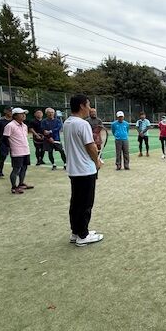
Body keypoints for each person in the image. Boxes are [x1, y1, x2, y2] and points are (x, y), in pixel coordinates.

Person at [62, 94, 103, 247]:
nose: (90, 108)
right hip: (85, 170)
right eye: (88, 105)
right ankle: (83, 236)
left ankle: (76, 232)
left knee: (76, 203)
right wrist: (97, 161)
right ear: (81, 106)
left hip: (74, 170)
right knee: (85, 204)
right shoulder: (82, 124)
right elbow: (90, 146)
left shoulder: (67, 123)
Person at [3, 108, 33, 194]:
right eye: (21, 114)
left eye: (24, 114)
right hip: (16, 151)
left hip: (26, 150)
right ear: (15, 116)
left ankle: (21, 184)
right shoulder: (10, 125)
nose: (24, 115)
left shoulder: (24, 126)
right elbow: (5, 139)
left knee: (24, 167)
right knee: (16, 169)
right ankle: (14, 187)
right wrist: (11, 147)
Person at [0, 106, 13, 178]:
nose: (11, 112)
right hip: (3, 142)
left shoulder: (14, 120)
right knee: (3, 157)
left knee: (15, 157)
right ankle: (0, 172)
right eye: (9, 111)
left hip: (14, 142)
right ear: (5, 111)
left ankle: (15, 171)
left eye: (11, 111)